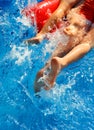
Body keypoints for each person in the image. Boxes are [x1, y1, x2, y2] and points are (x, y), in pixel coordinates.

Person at [25, 0, 94, 93]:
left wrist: (41, 33)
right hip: (87, 20)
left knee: (64, 9)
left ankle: (41, 36)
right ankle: (62, 62)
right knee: (88, 43)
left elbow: (62, 9)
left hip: (79, 14)